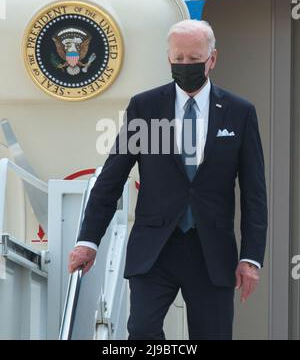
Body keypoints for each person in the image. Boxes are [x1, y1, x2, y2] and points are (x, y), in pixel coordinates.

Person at [68, 19, 268, 340]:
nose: (185, 65)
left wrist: (251, 258)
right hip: (156, 248)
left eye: (194, 59)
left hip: (211, 251)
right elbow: (112, 177)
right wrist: (88, 240)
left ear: (212, 59)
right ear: (169, 58)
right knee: (142, 331)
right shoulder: (145, 107)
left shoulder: (239, 112)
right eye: (179, 59)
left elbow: (254, 193)